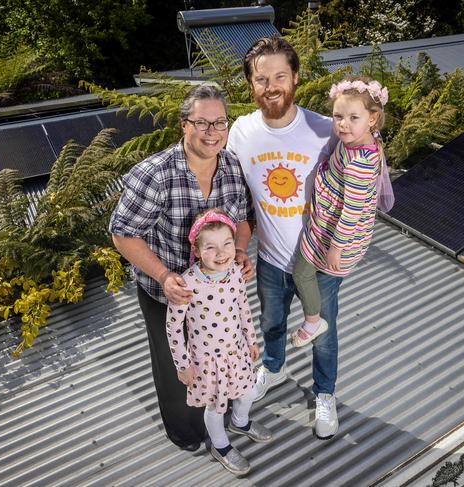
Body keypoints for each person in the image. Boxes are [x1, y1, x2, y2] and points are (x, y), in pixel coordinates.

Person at [109, 85, 254, 452]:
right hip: (167, 293)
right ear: (183, 125)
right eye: (202, 122)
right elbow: (123, 234)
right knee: (177, 367)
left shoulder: (233, 166)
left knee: (219, 356)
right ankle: (187, 433)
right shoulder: (154, 174)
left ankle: (221, 414)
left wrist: (238, 250)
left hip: (217, 296)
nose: (212, 131)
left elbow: (243, 220)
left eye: (219, 122)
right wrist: (162, 276)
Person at [226, 34, 343, 439]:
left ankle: (324, 393)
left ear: (295, 77)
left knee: (324, 333)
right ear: (250, 84)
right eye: (262, 79)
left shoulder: (325, 130)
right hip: (271, 261)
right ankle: (273, 368)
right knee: (272, 322)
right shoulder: (239, 132)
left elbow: (361, 187)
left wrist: (345, 246)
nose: (271, 86)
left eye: (280, 76)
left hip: (319, 262)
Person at [166, 208, 272, 476]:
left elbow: (243, 306)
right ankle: (220, 445)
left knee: (248, 392)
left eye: (227, 243)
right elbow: (173, 328)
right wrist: (182, 365)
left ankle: (240, 422)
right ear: (197, 250)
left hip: (236, 352)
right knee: (216, 405)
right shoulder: (187, 284)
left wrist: (251, 339)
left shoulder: (235, 271)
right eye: (210, 247)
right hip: (207, 361)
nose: (222, 252)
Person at [290, 76, 393, 348]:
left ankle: (314, 322)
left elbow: (351, 211)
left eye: (353, 118)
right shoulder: (360, 141)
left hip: (333, 236)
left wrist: (336, 248)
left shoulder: (360, 163)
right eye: (338, 116)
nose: (343, 124)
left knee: (302, 274)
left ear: (373, 118)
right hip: (326, 225)